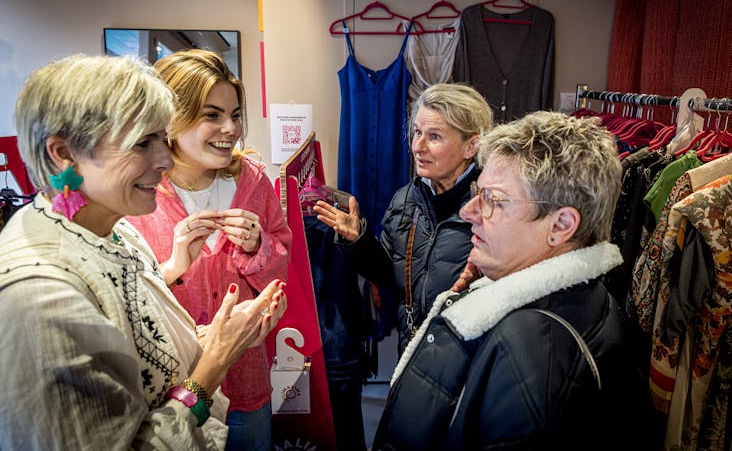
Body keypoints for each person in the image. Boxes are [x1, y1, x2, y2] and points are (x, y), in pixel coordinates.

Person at [0, 54, 287, 450]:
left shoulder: (114, 231)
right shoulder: (38, 296)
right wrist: (216, 359)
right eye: (143, 142)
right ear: (64, 154)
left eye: (161, 137)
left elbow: (149, 343)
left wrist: (225, 332)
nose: (165, 159)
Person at [372, 111, 647, 450]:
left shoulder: (533, 349)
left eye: (493, 200)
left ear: (561, 226)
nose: (469, 212)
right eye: (478, 193)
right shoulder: (580, 302)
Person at [127, 49, 292, 451]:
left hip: (247, 381)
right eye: (212, 115)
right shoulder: (138, 193)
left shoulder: (251, 179)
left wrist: (259, 247)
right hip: (173, 391)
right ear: (171, 119)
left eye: (235, 115)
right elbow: (125, 296)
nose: (231, 129)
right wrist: (171, 267)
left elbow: (282, 264)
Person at [314, 83, 493, 354]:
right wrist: (359, 240)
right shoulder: (405, 199)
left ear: (471, 146)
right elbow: (389, 273)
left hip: (470, 357)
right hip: (413, 351)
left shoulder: (493, 207)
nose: (417, 147)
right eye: (417, 132)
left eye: (434, 136)